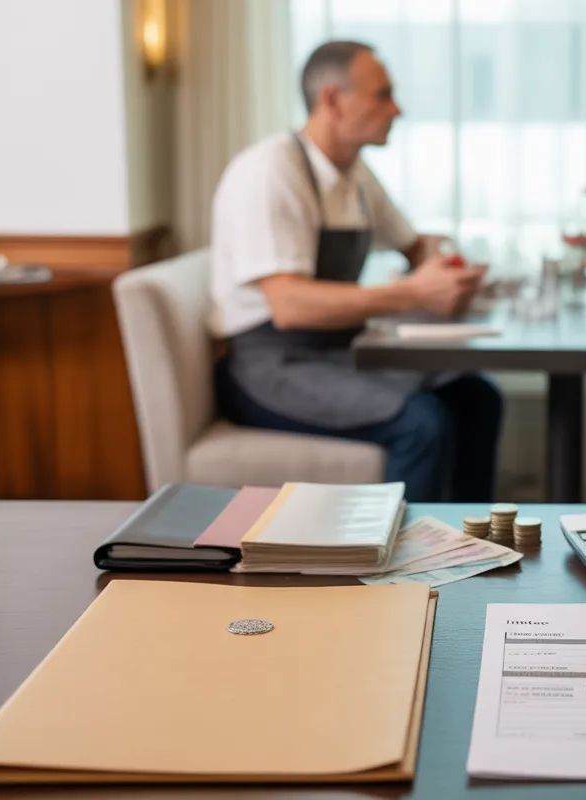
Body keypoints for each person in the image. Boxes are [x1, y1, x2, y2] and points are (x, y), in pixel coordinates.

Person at [209, 40, 501, 502]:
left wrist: (445, 266)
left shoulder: (356, 175)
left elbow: (413, 244)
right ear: (331, 99)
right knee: (422, 422)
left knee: (477, 397)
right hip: (268, 366)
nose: (396, 109)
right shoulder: (270, 171)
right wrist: (413, 292)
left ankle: (475, 547)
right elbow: (288, 305)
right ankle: (408, 563)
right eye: (382, 95)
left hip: (338, 353)